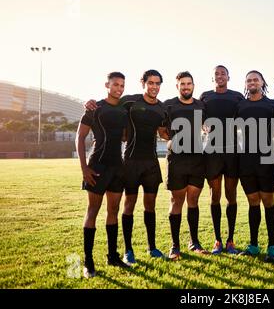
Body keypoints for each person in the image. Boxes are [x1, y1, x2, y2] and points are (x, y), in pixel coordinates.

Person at [84, 70, 169, 266]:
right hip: (129, 162)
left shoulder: (163, 109)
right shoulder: (129, 101)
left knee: (150, 206)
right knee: (128, 206)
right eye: (150, 83)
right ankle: (128, 250)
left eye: (157, 83)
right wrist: (89, 102)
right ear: (143, 83)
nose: (154, 86)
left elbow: (164, 133)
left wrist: (182, 131)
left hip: (151, 163)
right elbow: (107, 104)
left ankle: (152, 246)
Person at [76, 72, 130, 279]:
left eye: (122, 85)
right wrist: (84, 168)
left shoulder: (125, 109)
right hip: (97, 165)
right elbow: (79, 138)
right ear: (107, 85)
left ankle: (112, 256)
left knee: (113, 211)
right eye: (115, 84)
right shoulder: (94, 107)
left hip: (118, 166)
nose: (119, 88)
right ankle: (88, 262)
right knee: (93, 210)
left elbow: (125, 135)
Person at [199, 65, 244, 254]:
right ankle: (217, 240)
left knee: (231, 195)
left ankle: (230, 240)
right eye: (216, 74)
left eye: (223, 73)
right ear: (212, 78)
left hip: (233, 151)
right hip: (212, 151)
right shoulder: (205, 96)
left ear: (228, 76)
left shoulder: (237, 96)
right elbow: (197, 117)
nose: (219, 76)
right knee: (214, 195)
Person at [236, 70, 274, 263]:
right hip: (246, 159)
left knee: (268, 201)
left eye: (255, 79)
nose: (252, 82)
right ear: (246, 84)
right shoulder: (240, 105)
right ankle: (253, 245)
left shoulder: (273, 105)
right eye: (248, 80)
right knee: (253, 201)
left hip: (267, 158)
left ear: (262, 82)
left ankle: (271, 246)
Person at [164, 71, 208, 260]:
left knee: (193, 200)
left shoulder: (201, 105)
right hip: (177, 160)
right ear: (177, 86)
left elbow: (207, 125)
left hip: (197, 159)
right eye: (182, 84)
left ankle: (194, 242)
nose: (186, 87)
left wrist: (207, 128)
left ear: (193, 86)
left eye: (189, 83)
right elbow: (161, 130)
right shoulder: (169, 105)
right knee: (176, 201)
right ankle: (175, 246)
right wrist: (169, 140)